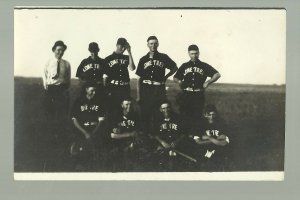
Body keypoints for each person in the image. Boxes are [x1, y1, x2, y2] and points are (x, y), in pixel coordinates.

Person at [173, 44, 221, 131]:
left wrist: (208, 82)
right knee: (184, 115)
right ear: (188, 54)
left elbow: (217, 74)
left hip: (198, 94)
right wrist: (179, 81)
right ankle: (185, 136)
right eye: (192, 54)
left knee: (197, 116)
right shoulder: (185, 65)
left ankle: (195, 136)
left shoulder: (204, 66)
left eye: (196, 53)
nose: (194, 56)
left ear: (199, 53)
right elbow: (175, 77)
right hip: (186, 94)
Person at [136, 36, 177, 133]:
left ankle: (158, 136)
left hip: (158, 89)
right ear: (147, 45)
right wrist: (138, 95)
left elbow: (175, 67)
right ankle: (145, 136)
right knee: (145, 113)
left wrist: (166, 77)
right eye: (151, 43)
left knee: (158, 113)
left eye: (155, 43)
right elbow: (138, 78)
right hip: (145, 89)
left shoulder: (163, 57)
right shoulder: (143, 59)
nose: (153, 45)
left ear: (158, 44)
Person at [42, 40, 71, 171]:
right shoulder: (48, 62)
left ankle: (59, 136)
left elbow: (68, 78)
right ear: (54, 50)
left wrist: (65, 90)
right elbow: (44, 75)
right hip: (51, 90)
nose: (60, 52)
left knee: (61, 115)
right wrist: (47, 87)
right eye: (58, 50)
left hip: (61, 91)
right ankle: (49, 136)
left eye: (62, 50)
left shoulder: (66, 64)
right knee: (50, 114)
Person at [70, 82, 108, 171]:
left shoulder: (99, 102)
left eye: (95, 91)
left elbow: (101, 120)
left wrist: (93, 133)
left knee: (96, 148)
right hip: (82, 129)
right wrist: (85, 133)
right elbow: (74, 120)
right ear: (86, 90)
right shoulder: (78, 101)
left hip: (95, 129)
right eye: (92, 90)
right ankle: (81, 165)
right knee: (80, 148)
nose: (94, 93)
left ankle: (94, 166)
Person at [108, 97, 148, 171]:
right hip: (119, 143)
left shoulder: (135, 115)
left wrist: (136, 134)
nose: (129, 106)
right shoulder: (116, 116)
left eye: (130, 104)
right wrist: (129, 134)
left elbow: (139, 131)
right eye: (126, 104)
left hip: (132, 142)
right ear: (122, 105)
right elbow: (112, 135)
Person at [152, 100, 190, 171]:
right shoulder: (157, 120)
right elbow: (154, 134)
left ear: (170, 108)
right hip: (163, 146)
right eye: (163, 108)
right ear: (160, 109)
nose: (166, 110)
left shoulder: (178, 118)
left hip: (176, 146)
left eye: (167, 107)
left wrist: (177, 141)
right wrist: (162, 142)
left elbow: (184, 133)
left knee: (176, 164)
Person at [190, 104, 230, 171]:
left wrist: (209, 138)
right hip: (203, 150)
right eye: (209, 115)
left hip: (218, 150)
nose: (211, 117)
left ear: (216, 114)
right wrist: (216, 140)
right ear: (205, 114)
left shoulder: (221, 122)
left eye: (213, 114)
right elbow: (198, 142)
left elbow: (224, 141)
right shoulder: (200, 124)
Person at [105, 38, 136, 115]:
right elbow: (105, 77)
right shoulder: (108, 58)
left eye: (124, 47)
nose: (123, 48)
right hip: (113, 87)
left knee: (126, 110)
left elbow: (132, 68)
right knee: (113, 109)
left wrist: (129, 52)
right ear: (116, 45)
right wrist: (107, 90)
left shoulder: (126, 57)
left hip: (125, 87)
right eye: (121, 46)